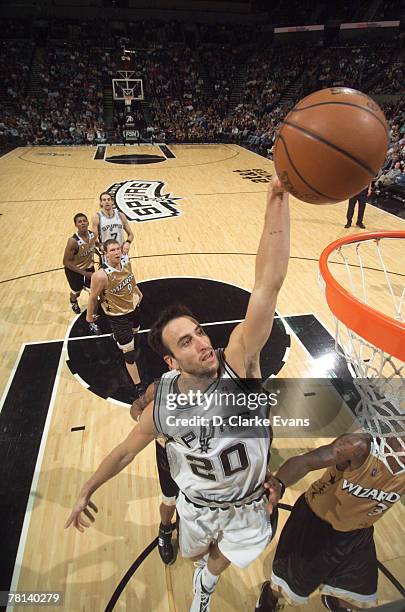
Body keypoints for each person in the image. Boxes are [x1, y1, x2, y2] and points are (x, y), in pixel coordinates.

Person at [65, 176, 290, 612]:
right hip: (197, 503)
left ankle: (205, 585)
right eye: (185, 342)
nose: (202, 342)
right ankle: (199, 569)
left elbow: (267, 285)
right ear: (170, 362)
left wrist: (276, 199)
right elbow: (125, 452)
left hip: (247, 504)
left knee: (221, 562)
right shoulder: (164, 397)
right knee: (192, 554)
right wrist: (86, 488)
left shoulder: (239, 362)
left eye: (199, 332)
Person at [255, 433, 405, 612]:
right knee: (290, 587)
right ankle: (270, 596)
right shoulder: (359, 447)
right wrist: (279, 484)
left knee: (357, 590)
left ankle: (335, 601)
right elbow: (306, 461)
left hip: (357, 534)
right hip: (315, 525)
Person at [131, 385, 180, 566]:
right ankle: (165, 528)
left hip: (198, 461)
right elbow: (136, 407)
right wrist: (148, 424)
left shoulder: (213, 381)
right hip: (169, 459)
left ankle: (184, 528)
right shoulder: (160, 387)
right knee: (169, 501)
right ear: (170, 362)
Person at [86, 239, 143, 390]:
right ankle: (139, 387)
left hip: (134, 307)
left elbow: (131, 278)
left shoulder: (126, 262)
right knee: (129, 355)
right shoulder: (101, 276)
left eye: (118, 249)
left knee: (136, 330)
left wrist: (137, 291)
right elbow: (92, 297)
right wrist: (89, 317)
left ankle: (123, 339)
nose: (117, 252)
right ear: (105, 253)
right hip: (118, 316)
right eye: (112, 250)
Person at [63, 213, 97, 325]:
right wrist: (84, 273)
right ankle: (73, 300)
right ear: (76, 225)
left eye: (84, 220)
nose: (83, 223)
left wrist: (101, 247)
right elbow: (66, 262)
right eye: (79, 221)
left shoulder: (92, 235)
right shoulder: (73, 241)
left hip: (89, 268)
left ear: (87, 222)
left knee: (94, 293)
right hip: (74, 271)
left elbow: (92, 245)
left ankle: (93, 317)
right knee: (76, 291)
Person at [91, 191, 134, 257]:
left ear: (112, 201)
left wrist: (127, 243)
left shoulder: (120, 215)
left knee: (126, 267)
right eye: (104, 200)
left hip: (121, 252)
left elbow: (131, 235)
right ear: (101, 203)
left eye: (108, 199)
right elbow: (93, 239)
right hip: (107, 253)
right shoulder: (97, 217)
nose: (107, 201)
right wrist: (100, 246)